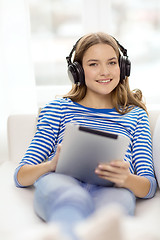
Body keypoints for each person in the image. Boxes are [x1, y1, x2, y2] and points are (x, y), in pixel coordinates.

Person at [14, 32, 157, 240]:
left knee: (111, 212)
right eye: (93, 64)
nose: (105, 72)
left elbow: (148, 186)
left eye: (112, 62)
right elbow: (21, 175)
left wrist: (126, 179)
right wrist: (50, 165)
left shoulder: (135, 116)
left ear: (123, 67)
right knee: (71, 198)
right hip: (62, 181)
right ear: (77, 71)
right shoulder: (57, 109)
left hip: (113, 189)